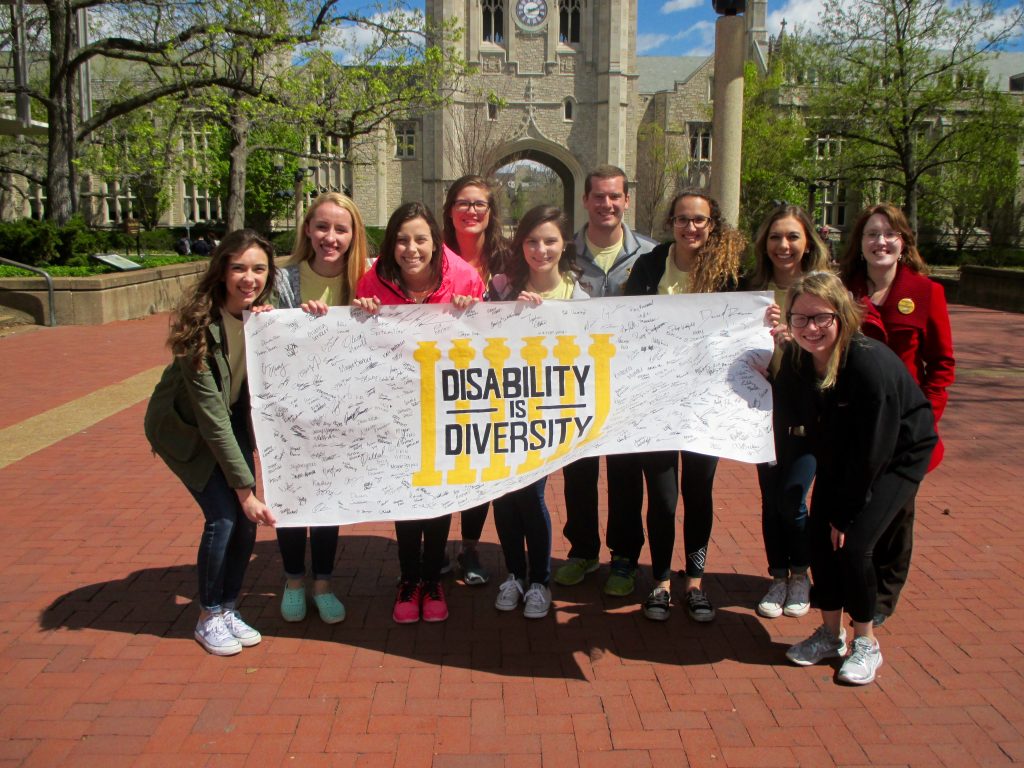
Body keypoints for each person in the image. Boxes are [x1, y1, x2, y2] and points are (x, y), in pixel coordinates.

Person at [779, 272, 936, 685]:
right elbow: (786, 402)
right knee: (818, 540)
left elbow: (875, 449)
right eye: (800, 319)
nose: (810, 328)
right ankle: (831, 634)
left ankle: (866, 641)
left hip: (897, 456)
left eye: (821, 318)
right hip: (842, 454)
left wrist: (846, 516)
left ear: (843, 316)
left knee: (856, 545)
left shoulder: (868, 363)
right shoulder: (799, 359)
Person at [144, 229, 278, 656]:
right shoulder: (196, 325)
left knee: (244, 524)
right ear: (221, 270)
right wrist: (246, 491)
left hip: (228, 419)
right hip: (185, 429)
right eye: (238, 267)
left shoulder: (259, 316)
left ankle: (227, 607)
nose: (248, 278)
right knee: (225, 516)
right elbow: (211, 416)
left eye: (258, 269)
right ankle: (206, 616)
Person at [354, 202, 484, 624]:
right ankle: (408, 579)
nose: (411, 249)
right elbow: (358, 344)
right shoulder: (374, 279)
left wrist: (474, 309)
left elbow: (488, 338)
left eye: (420, 239)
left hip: (446, 404)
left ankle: (433, 579)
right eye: (402, 240)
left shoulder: (463, 275)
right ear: (391, 244)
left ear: (435, 241)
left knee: (438, 494)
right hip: (396, 407)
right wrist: (363, 313)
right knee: (406, 494)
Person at [622, 189, 745, 622]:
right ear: (670, 222)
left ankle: (693, 582)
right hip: (656, 401)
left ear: (712, 225)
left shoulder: (730, 271)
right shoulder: (652, 264)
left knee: (698, 493)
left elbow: (745, 324)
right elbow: (627, 324)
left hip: (705, 403)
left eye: (699, 220)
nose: (690, 227)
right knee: (662, 498)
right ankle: (657, 581)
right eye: (682, 219)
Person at [840, 203, 955, 626]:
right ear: (861, 243)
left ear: (903, 243)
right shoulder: (845, 290)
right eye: (872, 234)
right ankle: (851, 582)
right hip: (856, 422)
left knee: (897, 515)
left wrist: (926, 416)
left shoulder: (926, 293)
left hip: (907, 425)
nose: (880, 242)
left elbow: (942, 365)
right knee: (852, 505)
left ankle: (884, 595)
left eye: (889, 234)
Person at [553, 165, 655, 595]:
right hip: (575, 383)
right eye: (598, 196)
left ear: (626, 200)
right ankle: (582, 551)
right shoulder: (563, 253)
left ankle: (626, 557)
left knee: (626, 473)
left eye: (615, 196)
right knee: (577, 472)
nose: (607, 204)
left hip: (628, 385)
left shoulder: (652, 256)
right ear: (586, 201)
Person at [273, 192, 370, 625]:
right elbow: (265, 337)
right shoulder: (282, 280)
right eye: (322, 227)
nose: (331, 238)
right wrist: (282, 317)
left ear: (353, 235)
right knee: (292, 499)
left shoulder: (366, 278)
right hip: (290, 412)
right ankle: (294, 581)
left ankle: (323, 584)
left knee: (328, 498)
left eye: (340, 229)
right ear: (307, 230)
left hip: (342, 411)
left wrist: (373, 311)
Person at [487, 205, 588, 619]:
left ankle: (540, 581)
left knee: (530, 492)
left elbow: (587, 352)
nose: (540, 249)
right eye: (531, 240)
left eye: (549, 240)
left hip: (547, 411)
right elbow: (475, 335)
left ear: (564, 244)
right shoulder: (501, 287)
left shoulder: (578, 296)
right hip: (500, 406)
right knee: (503, 494)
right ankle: (513, 574)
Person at [743, 205, 830, 620]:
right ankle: (778, 575)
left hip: (809, 413)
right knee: (770, 499)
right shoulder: (750, 289)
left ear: (807, 242)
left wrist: (794, 341)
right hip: (764, 413)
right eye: (776, 237)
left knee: (794, 498)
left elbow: (836, 352)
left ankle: (802, 574)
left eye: (792, 237)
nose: (784, 245)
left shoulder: (824, 291)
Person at [441, 175, 511, 587]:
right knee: (444, 462)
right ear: (450, 210)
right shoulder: (433, 256)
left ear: (490, 213)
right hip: (441, 377)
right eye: (463, 203)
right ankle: (433, 548)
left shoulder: (507, 259)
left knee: (479, 466)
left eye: (479, 204)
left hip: (490, 381)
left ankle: (469, 548)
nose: (471, 211)